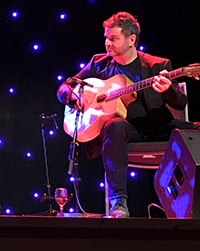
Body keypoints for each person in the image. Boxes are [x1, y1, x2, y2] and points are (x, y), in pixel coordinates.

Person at [56, 11, 199, 218]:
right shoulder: (99, 63)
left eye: (113, 38)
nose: (107, 43)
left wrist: (167, 89)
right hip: (125, 132)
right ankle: (118, 203)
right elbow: (65, 87)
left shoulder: (157, 65)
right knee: (114, 125)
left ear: (131, 39)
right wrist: (74, 99)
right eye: (106, 37)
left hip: (158, 128)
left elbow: (180, 101)